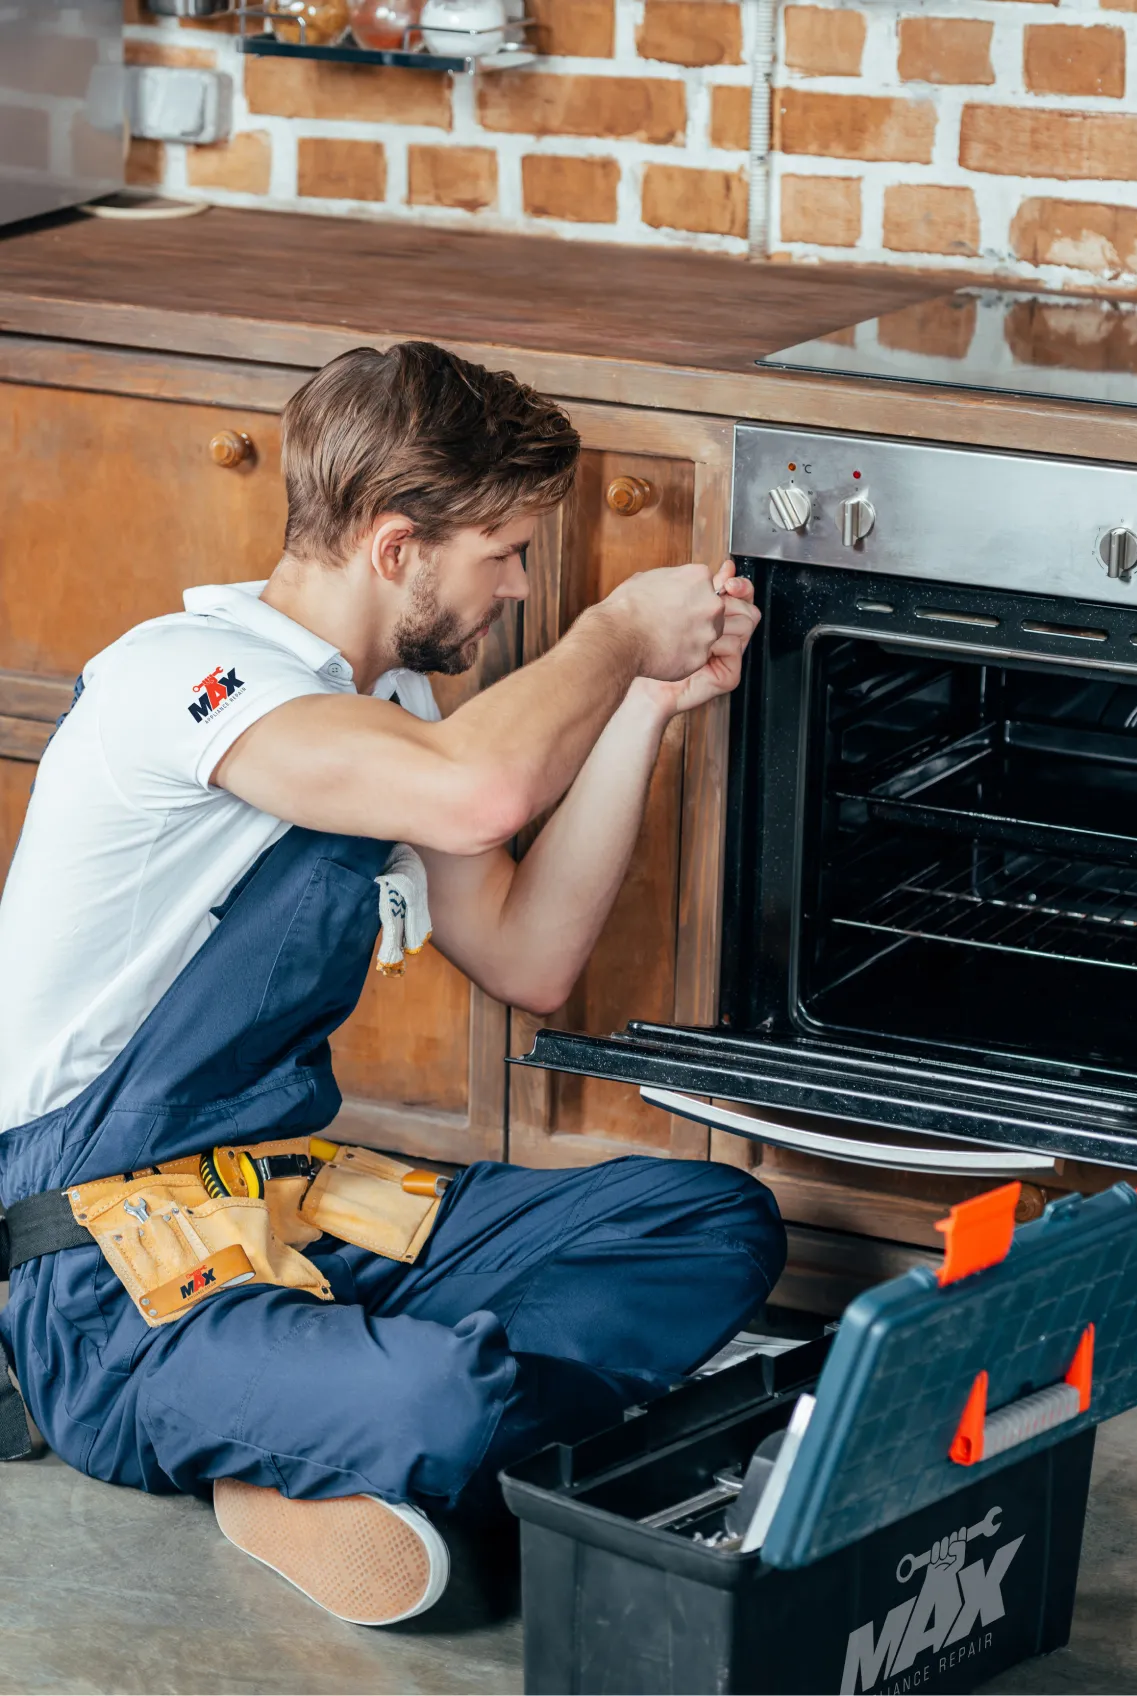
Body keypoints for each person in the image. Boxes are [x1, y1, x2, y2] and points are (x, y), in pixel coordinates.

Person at [0, 341, 784, 1626]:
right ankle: (378, 1428)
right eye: (505, 553)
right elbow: (478, 790)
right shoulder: (187, 678)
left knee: (712, 1219)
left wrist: (647, 701)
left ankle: (326, 1449)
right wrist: (611, 631)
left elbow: (529, 957)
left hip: (297, 1209)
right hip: (109, 1280)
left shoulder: (398, 708)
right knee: (437, 1395)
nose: (520, 588)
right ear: (395, 543)